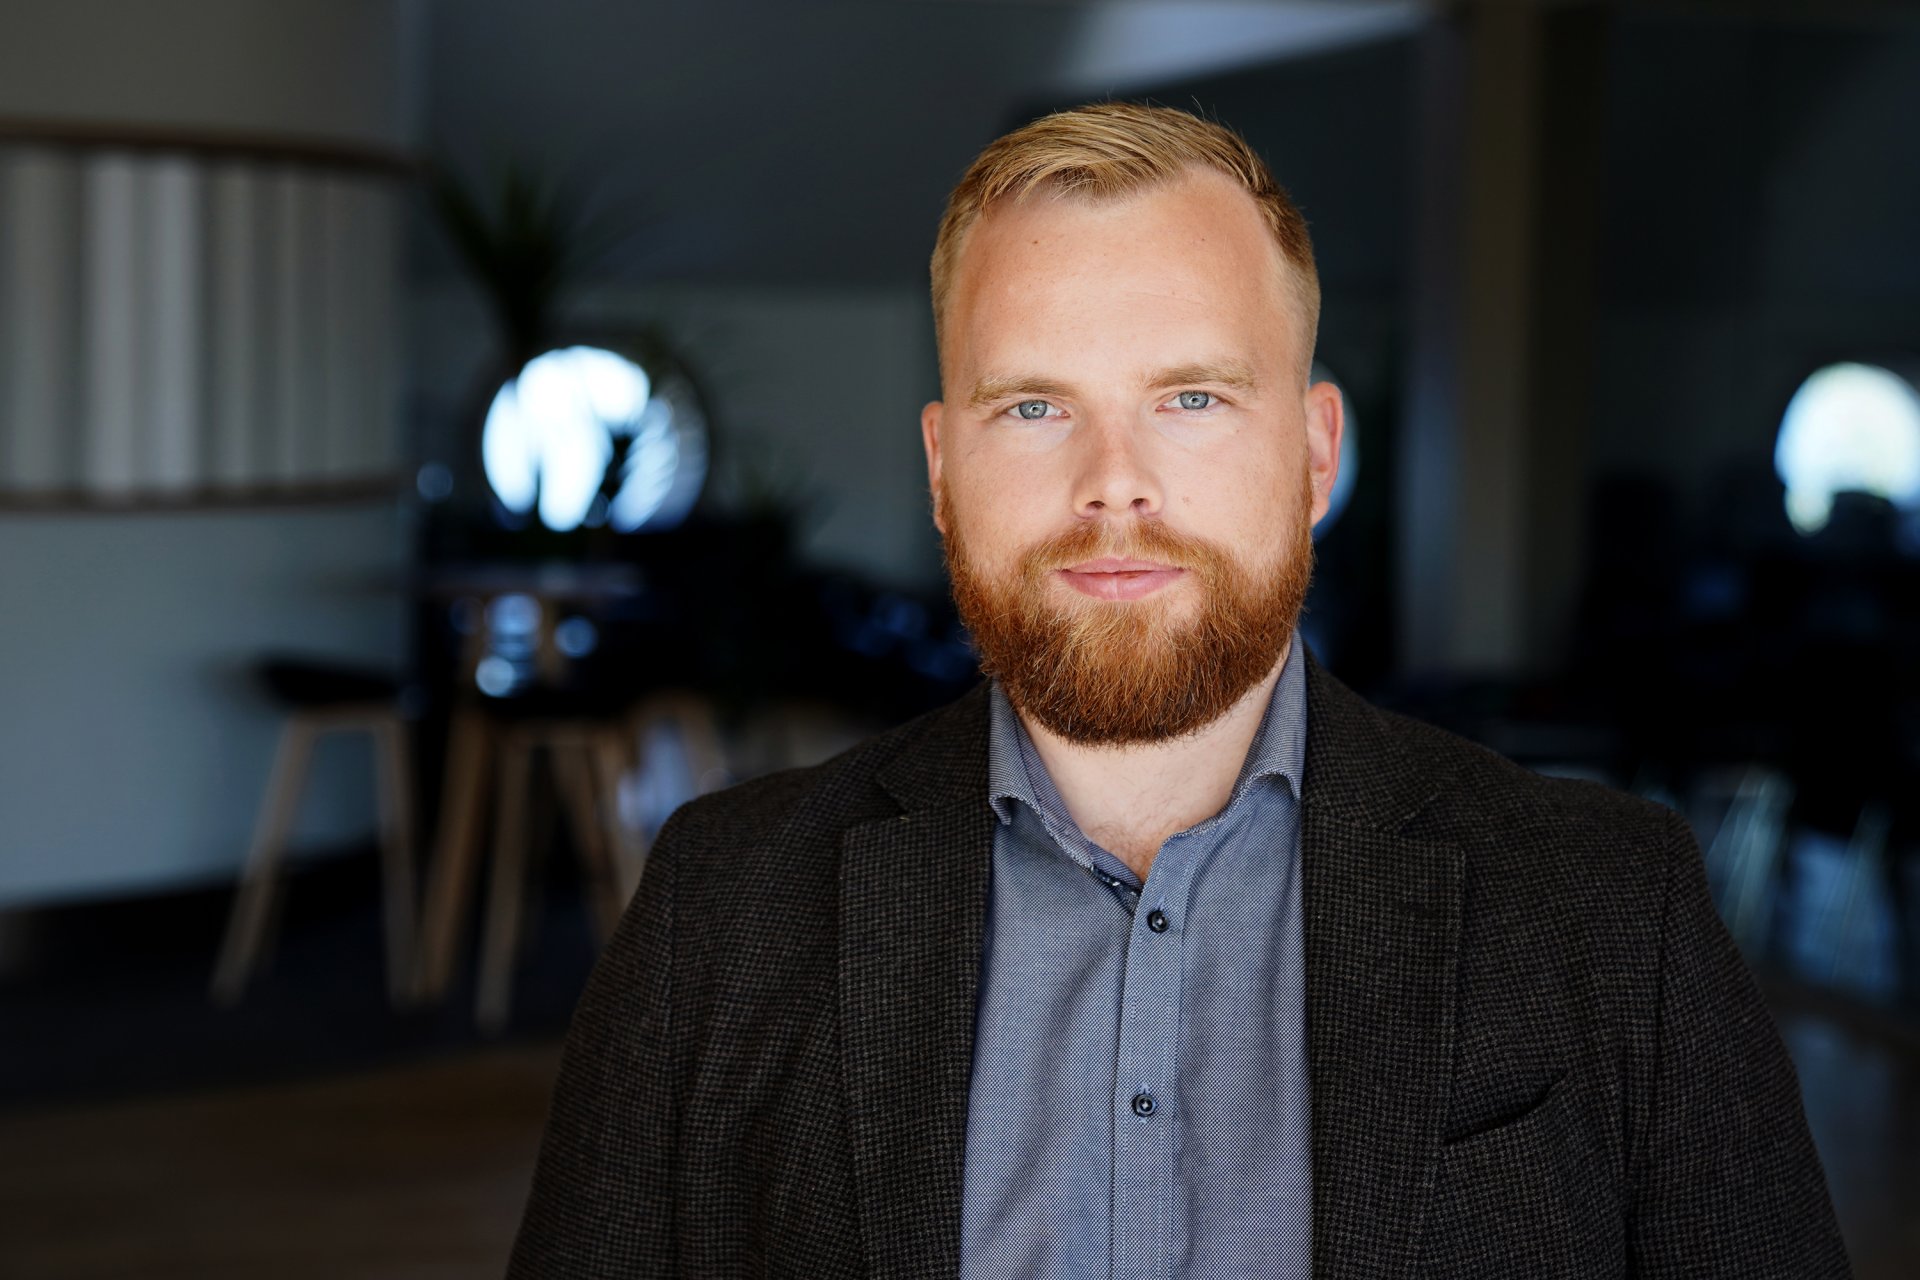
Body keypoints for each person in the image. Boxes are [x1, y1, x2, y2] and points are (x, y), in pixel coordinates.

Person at [507, 103, 1848, 1279]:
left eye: (1192, 399)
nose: (1114, 484)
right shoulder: (721, 911)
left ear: (1316, 454)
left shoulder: (1615, 913)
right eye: (1033, 407)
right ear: (941, 469)